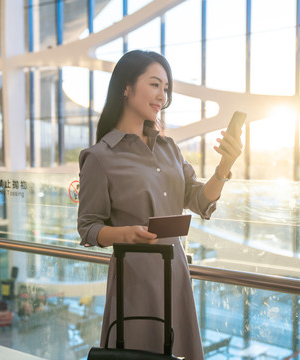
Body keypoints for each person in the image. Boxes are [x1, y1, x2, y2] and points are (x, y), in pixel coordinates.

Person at [77, 50, 242, 360]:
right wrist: (125, 234)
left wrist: (225, 166)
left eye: (166, 89)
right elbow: (88, 228)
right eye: (155, 85)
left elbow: (198, 200)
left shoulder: (168, 147)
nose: (162, 96)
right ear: (126, 87)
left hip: (175, 271)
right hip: (135, 280)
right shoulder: (100, 157)